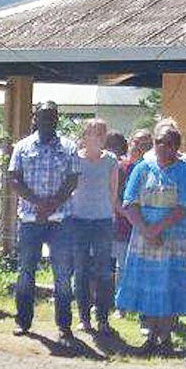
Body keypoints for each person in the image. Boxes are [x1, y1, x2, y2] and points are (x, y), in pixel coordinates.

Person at [117, 119, 186, 354]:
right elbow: (129, 202)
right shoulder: (142, 168)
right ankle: (150, 336)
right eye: (158, 142)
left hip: (174, 240)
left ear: (177, 146)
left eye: (168, 143)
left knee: (169, 285)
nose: (162, 147)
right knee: (148, 285)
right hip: (144, 239)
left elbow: (185, 205)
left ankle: (166, 337)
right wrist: (146, 230)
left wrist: (157, 229)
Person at [6, 101, 78, 339]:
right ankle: (23, 321)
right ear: (35, 119)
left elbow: (72, 180)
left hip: (61, 220)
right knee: (26, 271)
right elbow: (14, 178)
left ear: (57, 119)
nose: (48, 121)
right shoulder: (22, 147)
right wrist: (38, 203)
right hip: (30, 218)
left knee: (62, 273)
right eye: (43, 117)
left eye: (52, 117)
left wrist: (52, 204)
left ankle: (64, 325)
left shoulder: (69, 147)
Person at [63, 118, 121, 334]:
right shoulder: (75, 159)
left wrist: (110, 213)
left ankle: (103, 319)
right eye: (92, 133)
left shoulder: (111, 160)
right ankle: (84, 317)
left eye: (100, 134)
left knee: (103, 271)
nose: (96, 138)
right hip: (79, 220)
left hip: (102, 220)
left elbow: (113, 191)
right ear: (84, 136)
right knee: (81, 270)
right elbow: (69, 188)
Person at [114, 128, 152, 268]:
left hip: (147, 228)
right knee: (124, 267)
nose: (138, 147)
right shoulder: (120, 168)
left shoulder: (152, 170)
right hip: (123, 228)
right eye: (136, 142)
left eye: (145, 145)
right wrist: (130, 216)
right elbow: (113, 197)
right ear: (130, 143)